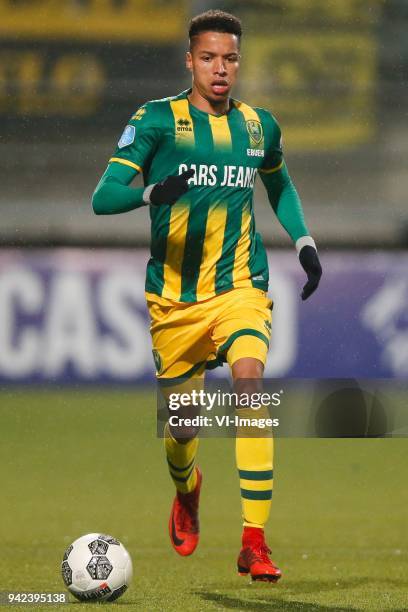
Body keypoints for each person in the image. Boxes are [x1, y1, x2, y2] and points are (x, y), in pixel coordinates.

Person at [92, 9, 322, 582]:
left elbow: (280, 183)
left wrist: (304, 241)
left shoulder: (258, 126)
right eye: (209, 58)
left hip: (240, 288)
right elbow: (103, 196)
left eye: (231, 58)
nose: (221, 69)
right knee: (183, 427)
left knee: (250, 385)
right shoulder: (157, 121)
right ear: (189, 60)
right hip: (174, 303)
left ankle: (254, 540)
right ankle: (187, 489)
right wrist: (151, 192)